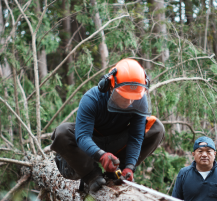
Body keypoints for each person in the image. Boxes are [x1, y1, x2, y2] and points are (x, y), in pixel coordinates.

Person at [50, 58, 165, 193]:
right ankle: (91, 175)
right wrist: (101, 155)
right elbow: (82, 136)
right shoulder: (92, 99)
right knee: (62, 132)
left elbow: (136, 136)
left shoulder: (138, 98)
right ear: (109, 85)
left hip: (116, 142)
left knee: (156, 127)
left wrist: (129, 166)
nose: (129, 101)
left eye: (133, 97)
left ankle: (117, 173)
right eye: (123, 96)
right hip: (89, 145)